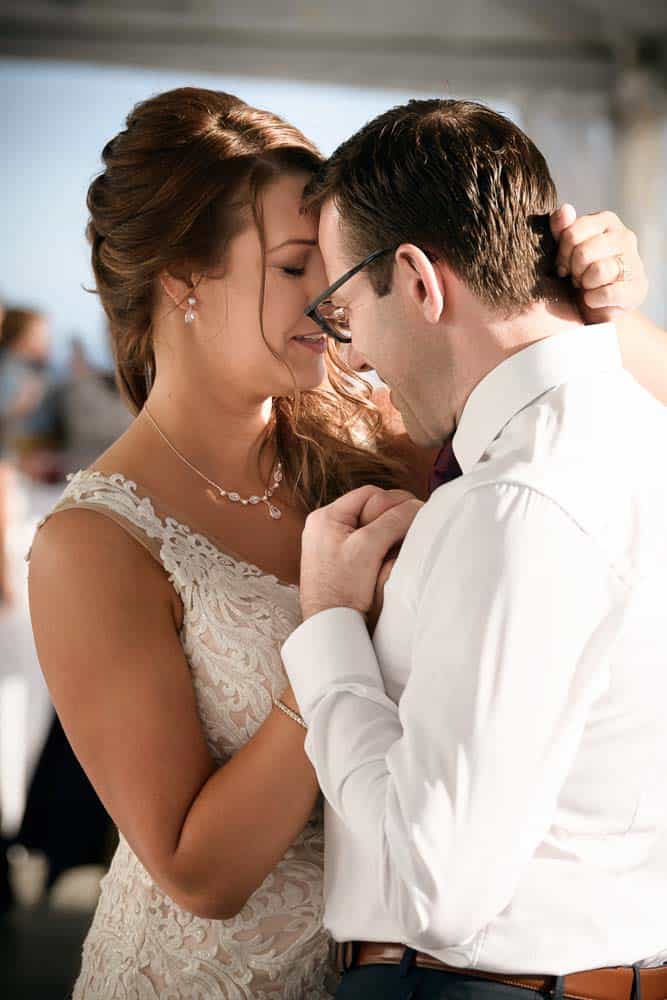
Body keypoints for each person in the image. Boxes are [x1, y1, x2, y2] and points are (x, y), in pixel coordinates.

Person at [27, 87, 661, 998]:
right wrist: (333, 637)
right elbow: (198, 873)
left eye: (337, 273)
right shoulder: (93, 541)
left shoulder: (376, 431)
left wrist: (587, 287)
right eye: (297, 268)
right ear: (181, 279)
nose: (334, 313)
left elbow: (582, 389)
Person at [280, 99, 667, 999]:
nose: (353, 354)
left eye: (341, 308)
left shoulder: (514, 502)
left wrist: (332, 627)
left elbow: (435, 889)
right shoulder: (641, 433)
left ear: (415, 279)